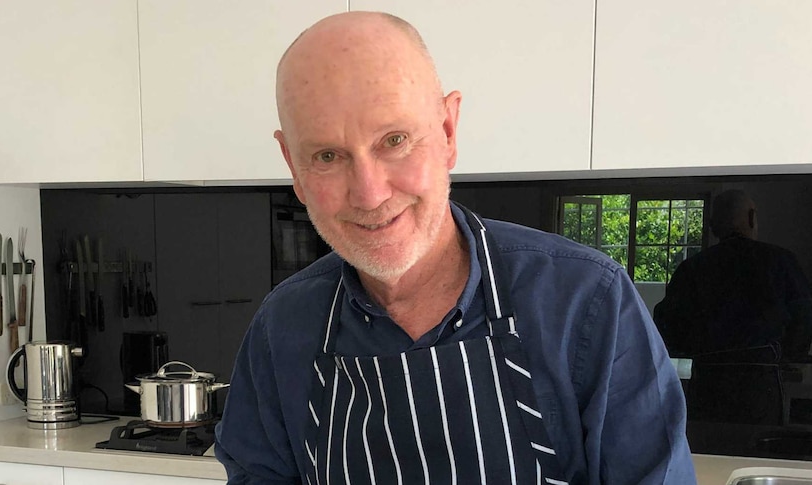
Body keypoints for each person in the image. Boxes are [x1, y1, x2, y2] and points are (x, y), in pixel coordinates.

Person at [215, 11, 695, 484]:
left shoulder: (586, 301)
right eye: (326, 156)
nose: (369, 194)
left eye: (394, 140)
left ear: (447, 130)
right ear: (292, 168)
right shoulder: (282, 328)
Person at [654, 189, 812, 361]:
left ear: (713, 226)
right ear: (752, 218)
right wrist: (788, 357)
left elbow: (667, 325)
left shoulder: (692, 269)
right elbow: (804, 316)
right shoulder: (782, 262)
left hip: (708, 375)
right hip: (767, 375)